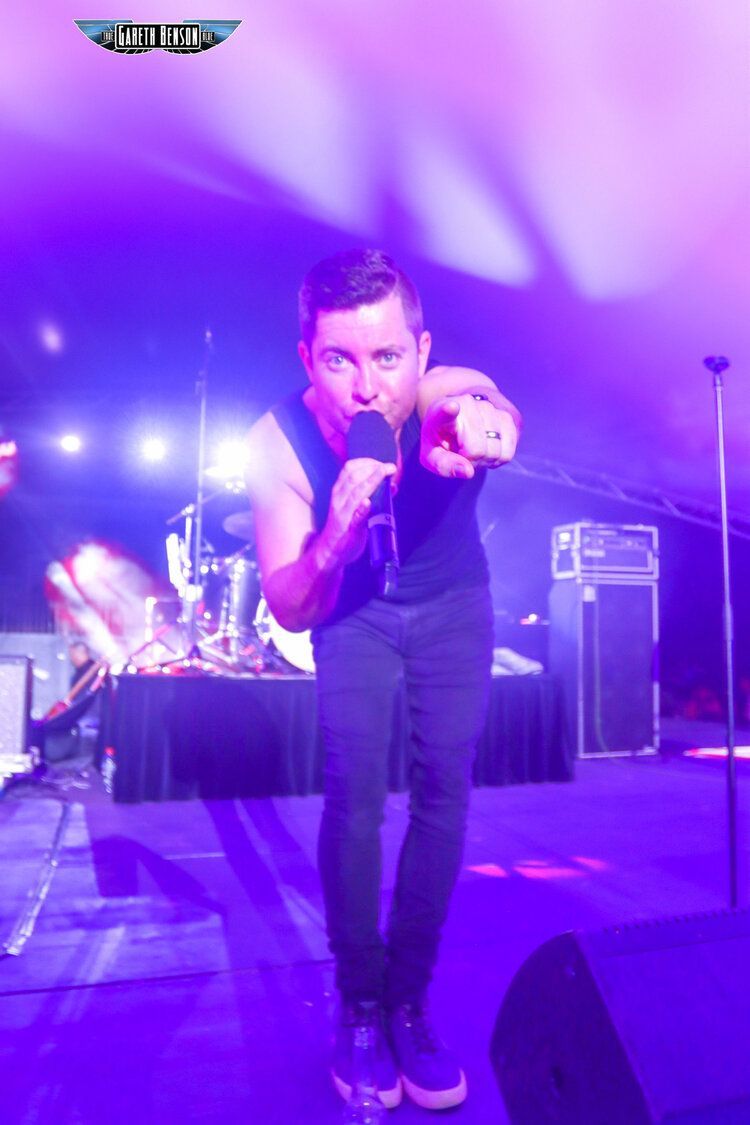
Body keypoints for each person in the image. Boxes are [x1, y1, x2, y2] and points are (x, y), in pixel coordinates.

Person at [245, 249, 521, 1111]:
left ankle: (410, 997)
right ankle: (361, 1004)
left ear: (421, 350)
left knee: (445, 790)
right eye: (340, 360)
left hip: (451, 607)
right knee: (353, 793)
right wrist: (332, 539)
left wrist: (473, 429)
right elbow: (290, 605)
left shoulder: (445, 388)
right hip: (353, 615)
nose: (368, 387)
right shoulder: (277, 440)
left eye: (389, 358)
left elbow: (495, 417)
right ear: (307, 360)